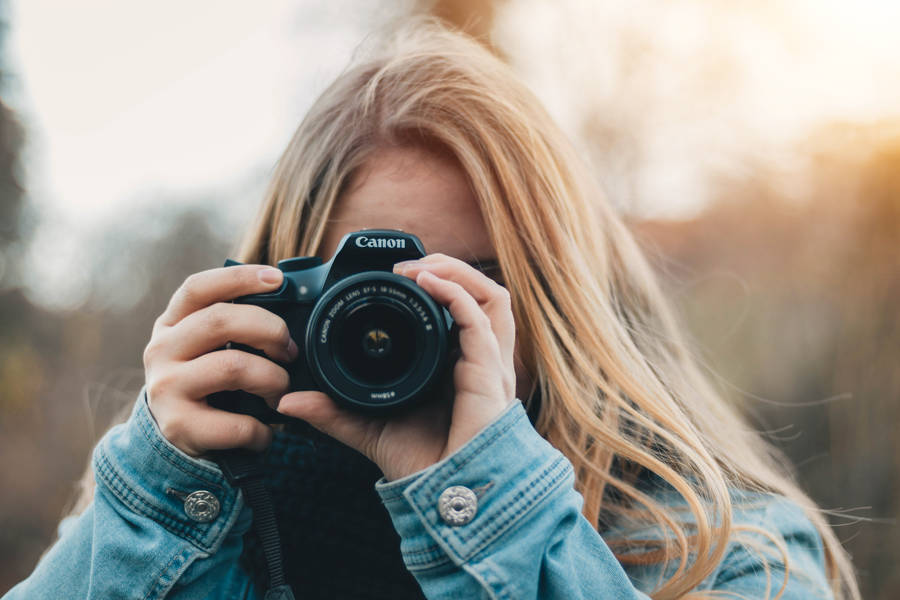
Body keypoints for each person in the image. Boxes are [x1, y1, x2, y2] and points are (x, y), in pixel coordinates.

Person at [4, 18, 859, 600]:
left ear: (561, 300)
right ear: (279, 294)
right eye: (363, 291)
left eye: (467, 286)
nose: (403, 326)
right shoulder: (198, 512)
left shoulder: (727, 552)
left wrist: (491, 504)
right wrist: (157, 498)